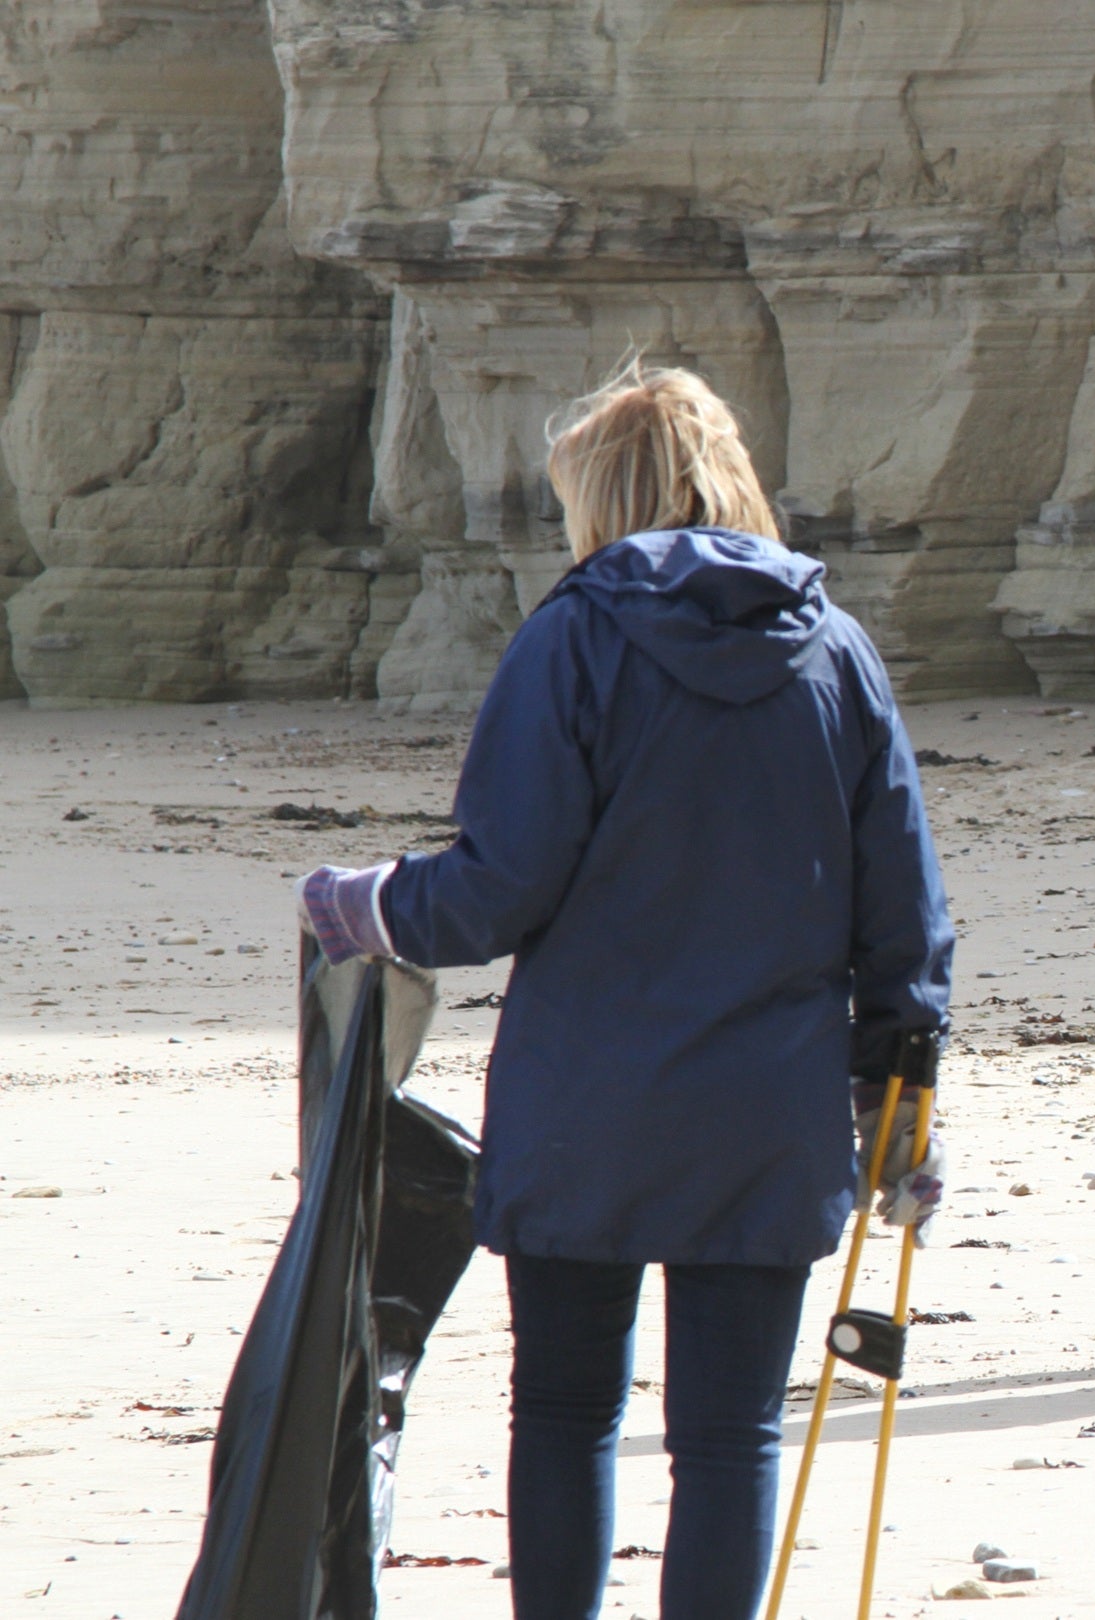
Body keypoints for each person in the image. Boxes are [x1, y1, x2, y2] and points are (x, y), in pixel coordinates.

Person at [295, 362, 954, 1620]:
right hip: (767, 1109)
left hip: (584, 1099)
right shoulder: (839, 654)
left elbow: (497, 890)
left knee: (563, 1411)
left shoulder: (570, 639)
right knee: (730, 1437)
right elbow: (905, 913)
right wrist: (900, 1090)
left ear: (600, 496)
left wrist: (367, 902)